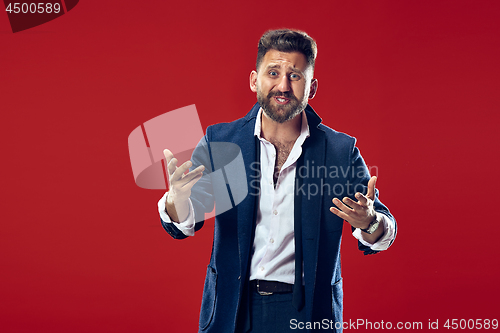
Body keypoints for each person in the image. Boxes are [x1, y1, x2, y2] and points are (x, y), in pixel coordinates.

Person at [158, 29, 396, 333]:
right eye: (273, 72)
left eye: (295, 76)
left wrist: (370, 221)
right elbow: (184, 223)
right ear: (254, 80)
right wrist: (176, 200)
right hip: (232, 309)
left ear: (312, 87)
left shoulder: (340, 150)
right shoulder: (221, 141)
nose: (283, 86)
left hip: (308, 313)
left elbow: (384, 230)